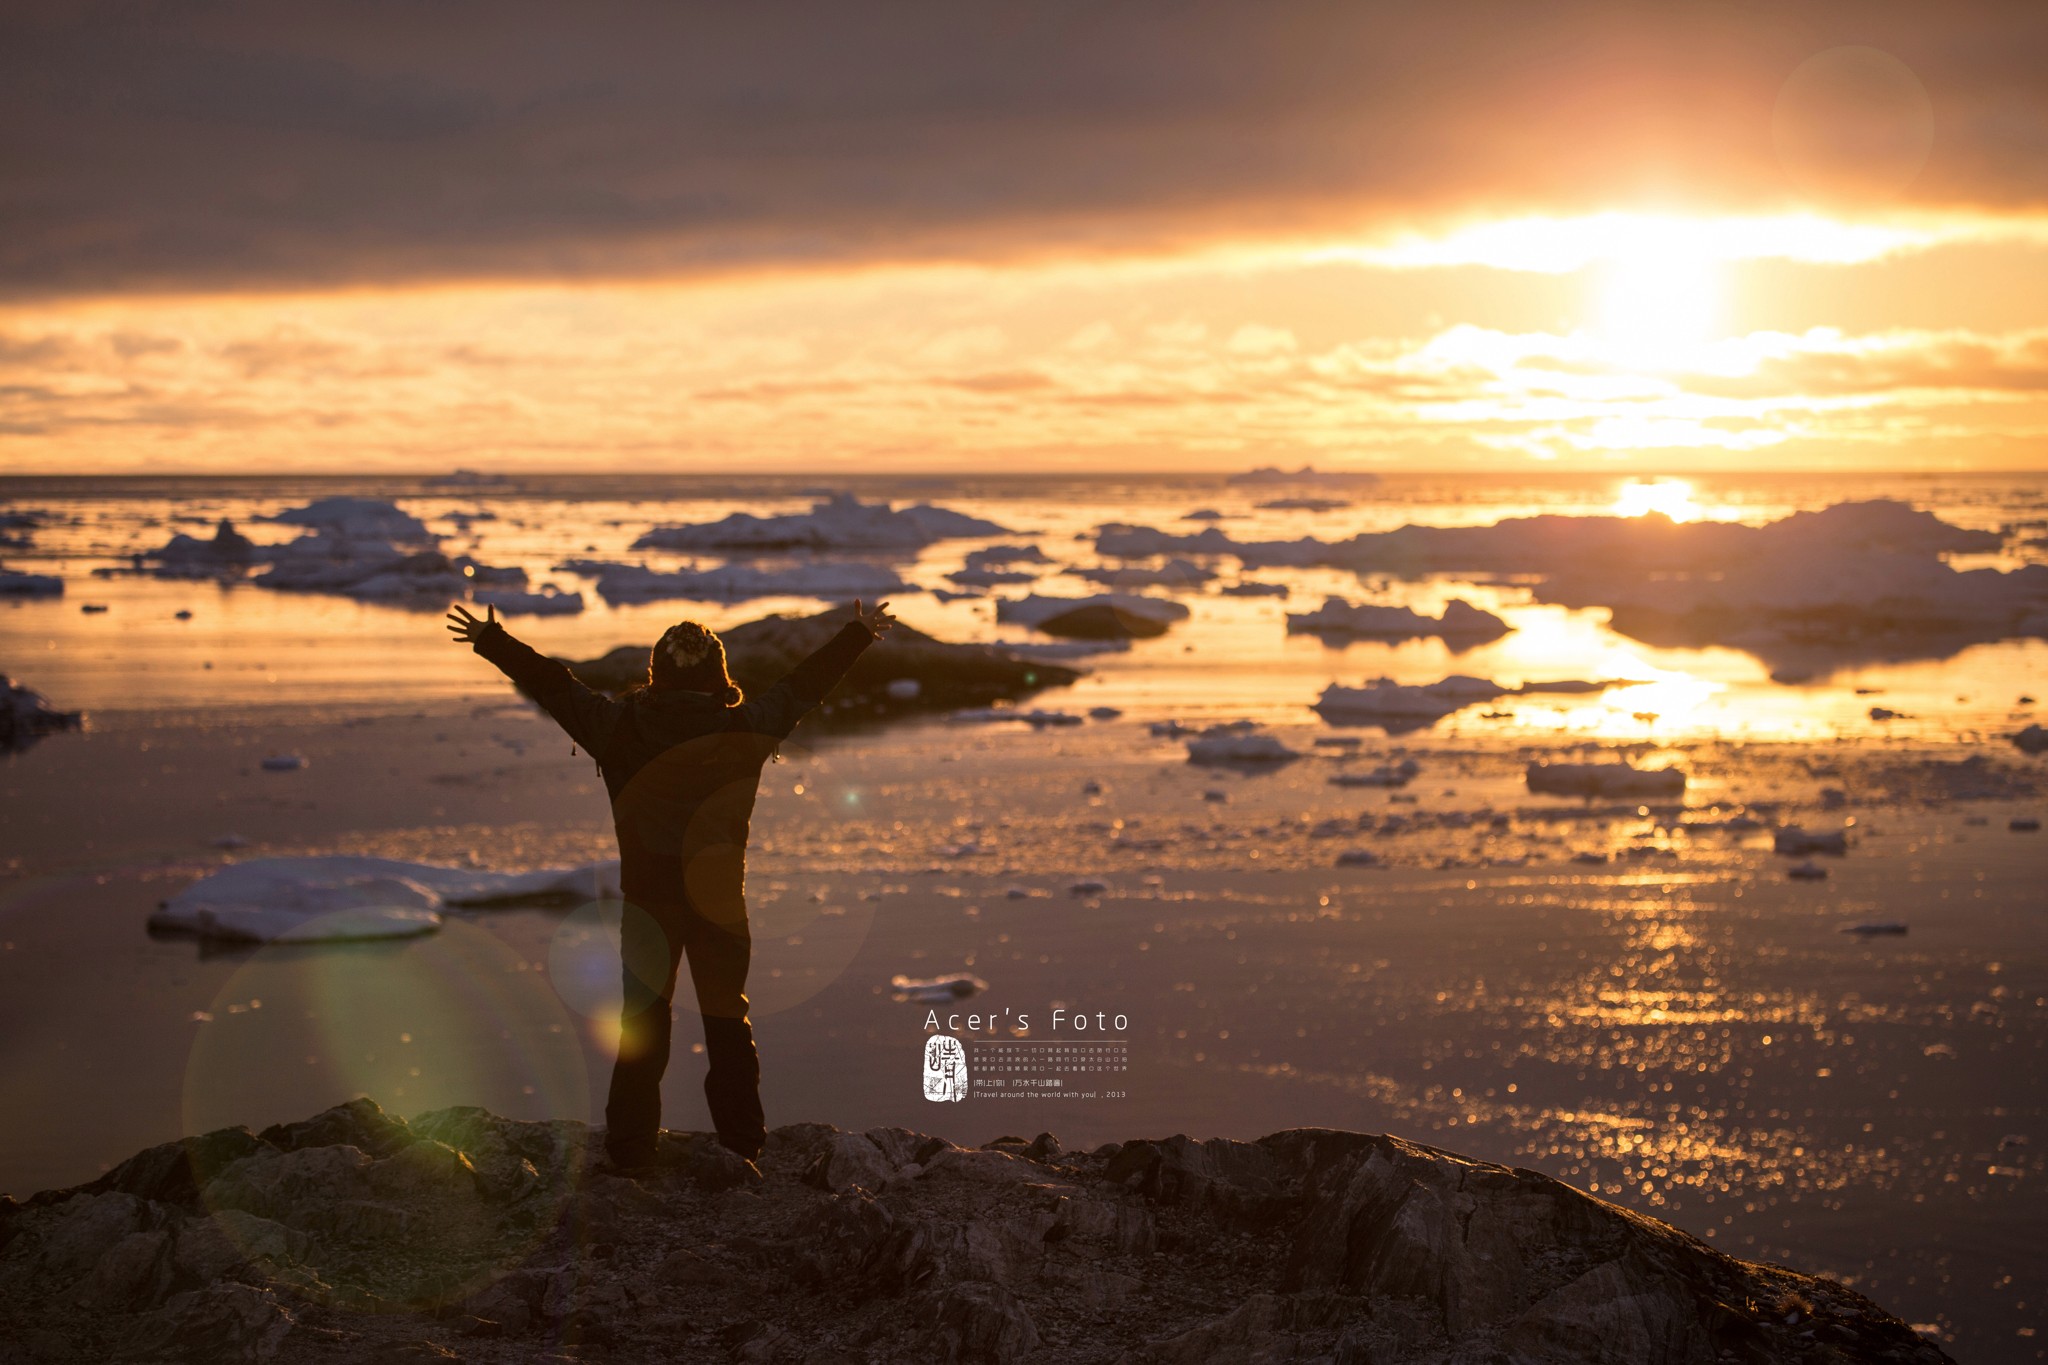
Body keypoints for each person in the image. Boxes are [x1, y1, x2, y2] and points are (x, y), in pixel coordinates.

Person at [447, 598, 896, 1168]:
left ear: (656, 672)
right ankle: (741, 1148)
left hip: (647, 907)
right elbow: (804, 685)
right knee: (727, 1021)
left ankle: (632, 1153)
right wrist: (857, 633)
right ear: (720, 675)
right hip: (720, 908)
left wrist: (492, 640)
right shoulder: (745, 727)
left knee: (643, 1023)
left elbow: (553, 684)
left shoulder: (616, 728)